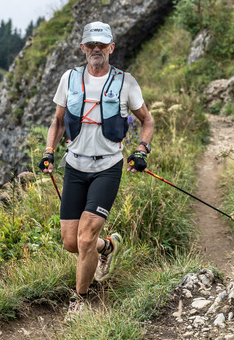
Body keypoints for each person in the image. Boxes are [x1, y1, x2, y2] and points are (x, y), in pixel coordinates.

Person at [38, 21, 154, 314]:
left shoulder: (126, 81)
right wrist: (49, 151)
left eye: (101, 45)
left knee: (85, 237)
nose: (96, 50)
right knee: (71, 242)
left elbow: (147, 120)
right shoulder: (69, 78)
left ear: (111, 48)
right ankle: (108, 248)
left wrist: (141, 149)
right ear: (83, 49)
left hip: (108, 167)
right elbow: (59, 121)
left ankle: (80, 300)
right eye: (90, 45)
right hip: (75, 167)